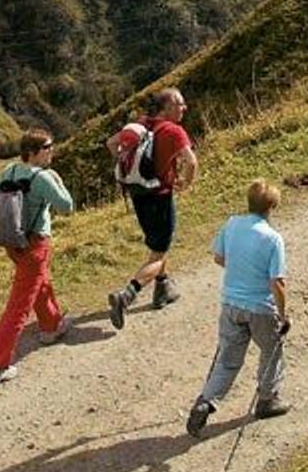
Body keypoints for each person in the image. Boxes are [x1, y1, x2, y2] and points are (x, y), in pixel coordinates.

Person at [0, 127, 75, 385]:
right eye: (48, 147)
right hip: (35, 244)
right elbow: (66, 207)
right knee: (19, 307)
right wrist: (57, 180)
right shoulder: (43, 178)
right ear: (33, 153)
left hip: (13, 243)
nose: (52, 151)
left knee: (40, 283)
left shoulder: (10, 171)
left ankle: (52, 327)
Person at [185, 177, 290, 436]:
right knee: (271, 350)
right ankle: (267, 399)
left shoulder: (232, 224)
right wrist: (283, 315)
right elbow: (276, 283)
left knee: (228, 360)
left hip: (231, 305)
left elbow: (219, 257)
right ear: (271, 207)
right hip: (260, 308)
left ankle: (206, 402)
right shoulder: (273, 238)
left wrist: (240, 269)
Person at [106, 86, 197, 329]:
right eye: (180, 104)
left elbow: (111, 143)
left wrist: (127, 166)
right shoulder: (174, 131)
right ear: (167, 107)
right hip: (160, 196)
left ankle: (163, 288)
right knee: (159, 251)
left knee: (157, 244)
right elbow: (191, 162)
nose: (184, 108)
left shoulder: (142, 124)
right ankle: (126, 295)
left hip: (138, 194)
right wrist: (186, 183)